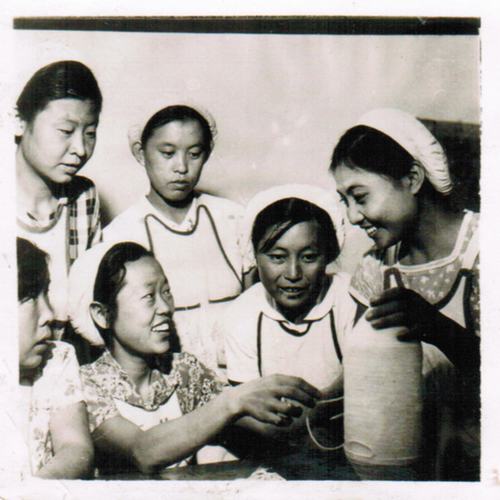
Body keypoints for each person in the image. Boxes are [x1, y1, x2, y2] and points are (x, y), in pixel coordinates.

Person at [69, 241, 321, 475]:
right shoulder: (86, 385)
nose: (166, 308)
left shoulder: (183, 371)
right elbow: (142, 452)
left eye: (166, 292)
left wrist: (332, 397)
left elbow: (272, 427)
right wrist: (232, 401)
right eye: (148, 297)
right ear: (103, 314)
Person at [329, 108, 479, 480]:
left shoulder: (483, 252)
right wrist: (321, 403)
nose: (353, 216)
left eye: (360, 197)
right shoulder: (376, 268)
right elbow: (362, 374)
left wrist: (438, 328)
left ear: (412, 178)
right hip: (403, 466)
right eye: (345, 201)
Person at [103, 104, 243, 374]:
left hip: (239, 377)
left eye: (194, 154)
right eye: (167, 153)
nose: (182, 167)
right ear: (140, 153)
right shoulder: (122, 233)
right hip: (166, 382)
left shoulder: (233, 219)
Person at [221, 184, 356, 452]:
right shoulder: (241, 315)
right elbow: (250, 416)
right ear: (255, 256)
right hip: (276, 451)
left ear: (328, 255)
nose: (293, 273)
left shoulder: (351, 300)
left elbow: (368, 388)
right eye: (277, 257)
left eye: (309, 257)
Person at [16, 60, 103, 331]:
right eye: (66, 131)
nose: (80, 149)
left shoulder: (84, 198)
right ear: (20, 122)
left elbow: (88, 301)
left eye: (90, 133)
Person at [17, 237, 94, 479]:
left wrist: (27, 493)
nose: (49, 314)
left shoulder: (56, 360)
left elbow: (76, 450)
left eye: (46, 293)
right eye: (29, 296)